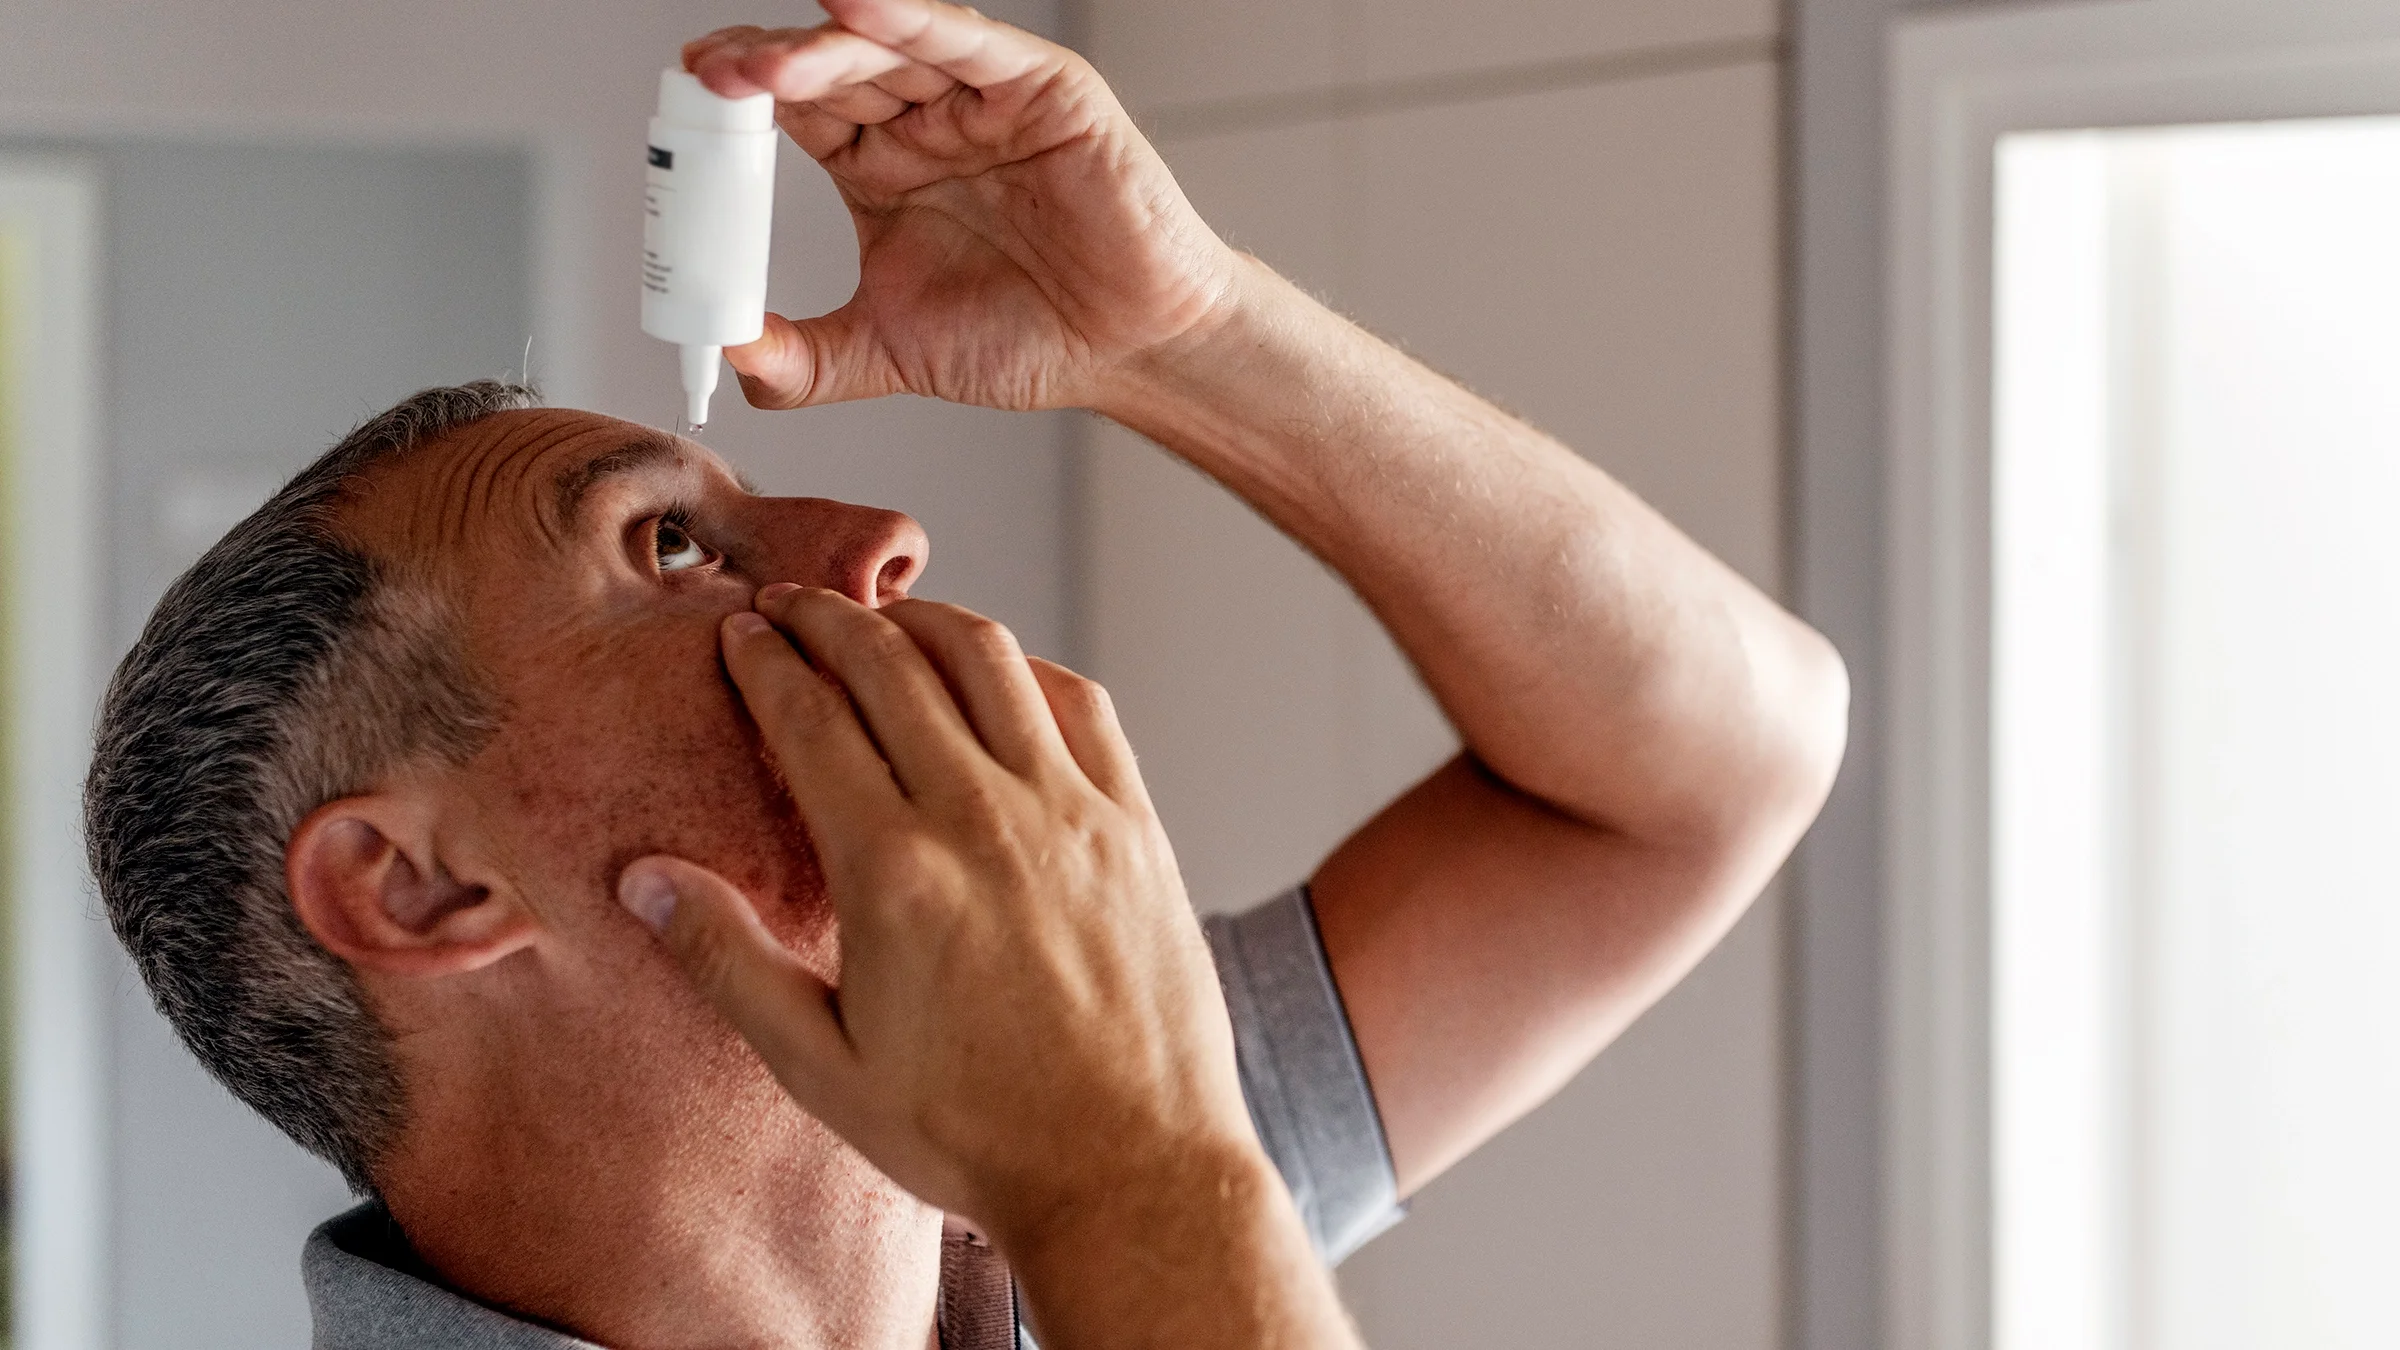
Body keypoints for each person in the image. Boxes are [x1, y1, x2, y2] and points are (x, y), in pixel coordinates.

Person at [81, 0, 1850, 1346]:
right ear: (418, 878)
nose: (883, 539)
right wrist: (1132, 1177)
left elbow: (1708, 769)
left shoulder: (1037, 1164)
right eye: (670, 546)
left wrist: (1186, 338)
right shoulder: (1102, 1157)